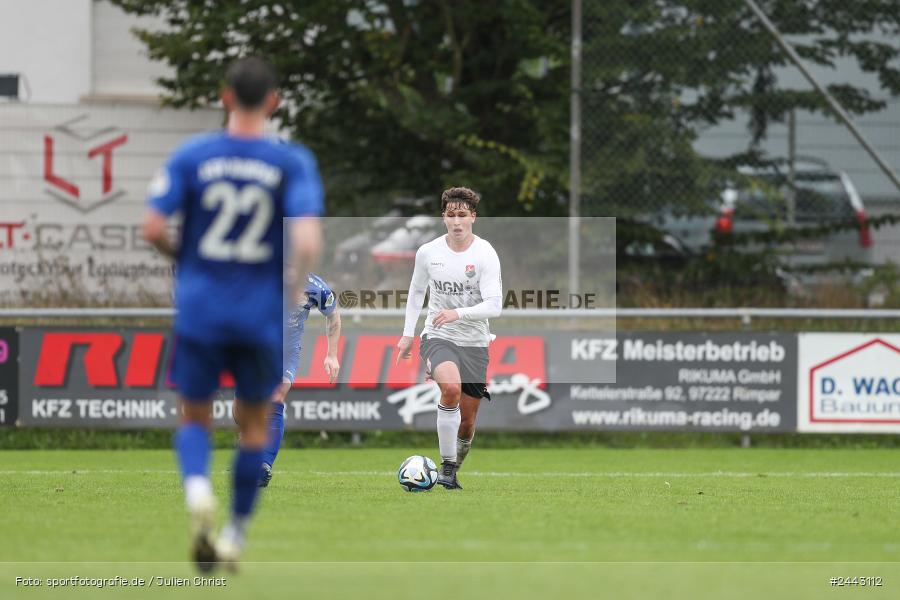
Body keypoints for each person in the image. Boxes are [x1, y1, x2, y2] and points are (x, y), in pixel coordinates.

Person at [142, 56, 323, 571]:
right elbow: (307, 240)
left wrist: (191, 262)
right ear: (274, 102)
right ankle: (235, 537)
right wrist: (290, 288)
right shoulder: (291, 162)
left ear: (225, 97)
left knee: (195, 414)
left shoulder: (193, 155)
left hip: (201, 309)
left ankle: (198, 489)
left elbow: (152, 228)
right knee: (255, 426)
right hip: (258, 313)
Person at [396, 187, 502, 490]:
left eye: (463, 215)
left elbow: (494, 305)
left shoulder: (485, 253)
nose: (457, 222)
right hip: (438, 335)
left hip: (476, 342)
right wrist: (407, 334)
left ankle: (454, 465)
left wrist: (459, 313)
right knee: (451, 389)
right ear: (443, 217)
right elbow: (416, 292)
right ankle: (445, 467)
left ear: (473, 218)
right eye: (451, 215)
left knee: (467, 423)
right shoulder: (428, 252)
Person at [236, 273, 340, 488]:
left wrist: (332, 354)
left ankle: (263, 466)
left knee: (276, 396)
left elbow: (333, 316)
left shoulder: (316, 287)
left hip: (286, 353)